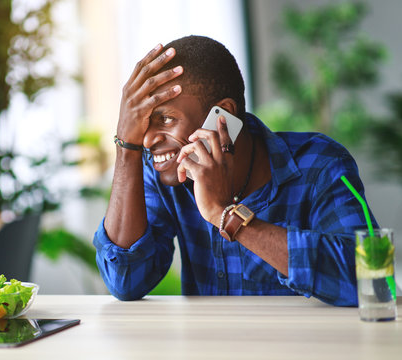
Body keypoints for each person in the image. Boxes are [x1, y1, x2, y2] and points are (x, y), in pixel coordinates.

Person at [92, 35, 376, 306]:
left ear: (222, 118)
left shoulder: (320, 163)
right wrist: (125, 146)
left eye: (165, 119)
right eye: (141, 123)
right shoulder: (165, 170)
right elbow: (125, 281)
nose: (148, 138)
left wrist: (225, 215)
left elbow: (370, 279)